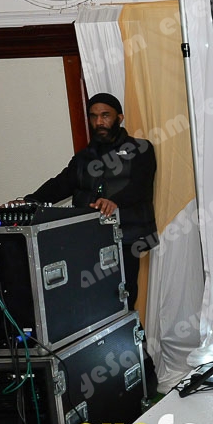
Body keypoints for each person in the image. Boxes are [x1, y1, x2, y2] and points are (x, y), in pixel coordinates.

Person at [23, 93, 157, 310]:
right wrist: (27, 202)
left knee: (123, 299)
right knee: (92, 302)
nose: (99, 122)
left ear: (120, 117)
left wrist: (114, 203)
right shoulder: (84, 157)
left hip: (127, 237)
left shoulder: (141, 149)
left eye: (105, 115)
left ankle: (130, 332)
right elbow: (60, 184)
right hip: (89, 238)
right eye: (93, 116)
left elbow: (139, 186)